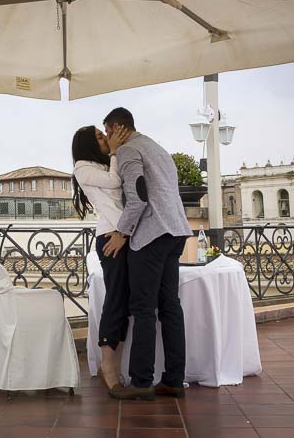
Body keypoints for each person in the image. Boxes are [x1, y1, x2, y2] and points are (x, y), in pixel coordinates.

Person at [101, 107, 192, 400]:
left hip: (151, 235)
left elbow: (138, 197)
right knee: (170, 307)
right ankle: (174, 380)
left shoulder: (128, 150)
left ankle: (142, 381)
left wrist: (121, 233)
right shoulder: (158, 148)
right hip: (176, 231)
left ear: (116, 128)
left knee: (143, 310)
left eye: (106, 132)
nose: (106, 139)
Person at [71, 124, 131, 389]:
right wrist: (116, 151)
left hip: (122, 234)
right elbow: (115, 183)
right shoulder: (83, 168)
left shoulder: (102, 165)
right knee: (116, 300)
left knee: (124, 301)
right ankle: (108, 366)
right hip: (111, 237)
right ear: (88, 144)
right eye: (99, 136)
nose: (105, 138)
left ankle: (114, 363)